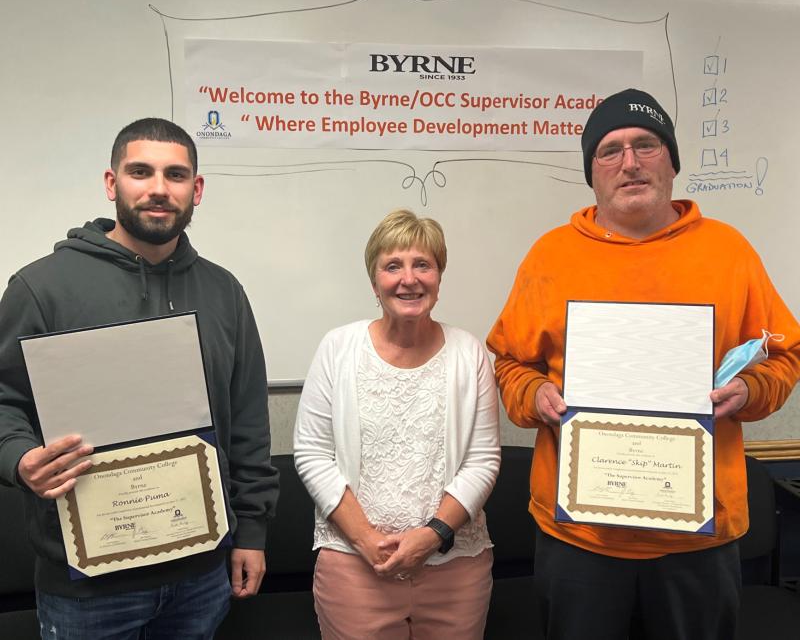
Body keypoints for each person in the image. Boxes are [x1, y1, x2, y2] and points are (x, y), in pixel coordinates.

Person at [487, 89, 800, 640]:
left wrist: (749, 391)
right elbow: (509, 364)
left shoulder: (730, 253)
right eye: (610, 151)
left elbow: (783, 355)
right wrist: (535, 396)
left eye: (646, 145)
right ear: (592, 173)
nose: (629, 162)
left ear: (672, 161)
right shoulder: (550, 256)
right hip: (580, 538)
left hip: (698, 541)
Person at [0, 118, 279, 639]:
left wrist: (254, 531)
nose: (158, 188)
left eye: (175, 175)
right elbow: (4, 399)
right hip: (86, 589)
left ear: (195, 190)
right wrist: (18, 458)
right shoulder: (42, 288)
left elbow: (247, 423)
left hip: (201, 577)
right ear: (112, 184)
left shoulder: (224, 293)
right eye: (140, 171)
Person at [294, 209, 500, 639]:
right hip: (355, 567)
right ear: (374, 282)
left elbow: (482, 460)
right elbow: (313, 453)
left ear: (439, 278)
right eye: (393, 266)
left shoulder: (470, 352)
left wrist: (433, 535)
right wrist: (366, 539)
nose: (409, 279)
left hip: (455, 570)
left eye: (422, 264)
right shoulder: (338, 348)